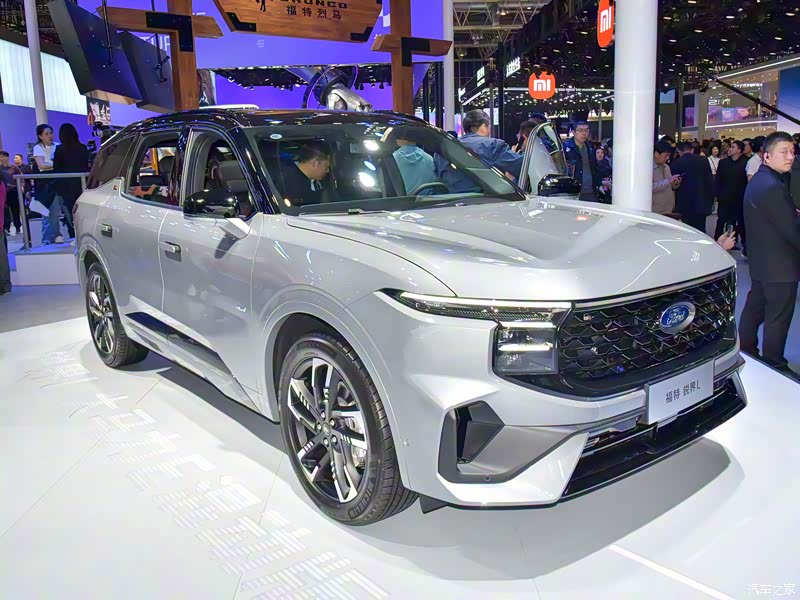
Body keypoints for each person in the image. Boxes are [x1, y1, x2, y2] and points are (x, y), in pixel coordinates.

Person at [738, 131, 800, 378]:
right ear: (767, 156)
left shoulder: (760, 180)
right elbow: (792, 231)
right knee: (778, 316)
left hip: (763, 260)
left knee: (755, 308)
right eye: (784, 152)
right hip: (780, 265)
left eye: (792, 151)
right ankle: (775, 363)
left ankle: (747, 351)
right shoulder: (773, 186)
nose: (790, 157)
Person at [457, 110, 523, 179]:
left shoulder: (453, 144)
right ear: (483, 127)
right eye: (489, 127)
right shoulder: (493, 145)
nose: (490, 131)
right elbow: (521, 167)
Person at [53, 123, 90, 239]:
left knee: (70, 212)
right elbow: (86, 165)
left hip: (66, 186)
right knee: (83, 212)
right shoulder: (83, 148)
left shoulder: (59, 149)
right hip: (82, 184)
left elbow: (56, 168)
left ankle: (74, 235)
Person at [671, 141, 714, 232]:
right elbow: (709, 181)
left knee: (686, 230)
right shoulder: (703, 160)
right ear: (692, 150)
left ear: (680, 151)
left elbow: (674, 183)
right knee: (700, 229)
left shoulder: (677, 162)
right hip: (701, 201)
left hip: (684, 203)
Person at [714, 140, 749, 249]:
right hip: (724, 196)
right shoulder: (723, 162)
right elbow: (718, 179)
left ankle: (733, 241)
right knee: (721, 219)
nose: (730, 149)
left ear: (739, 150)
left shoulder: (746, 163)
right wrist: (717, 194)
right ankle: (717, 239)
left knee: (736, 220)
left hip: (739, 197)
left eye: (733, 147)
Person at [32, 123, 63, 245]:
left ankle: (57, 235)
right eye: (46, 134)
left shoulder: (58, 146)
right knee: (47, 212)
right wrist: (55, 165)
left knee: (58, 211)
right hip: (45, 183)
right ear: (40, 136)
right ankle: (46, 239)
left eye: (51, 133)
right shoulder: (37, 148)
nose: (50, 136)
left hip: (58, 180)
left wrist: (49, 164)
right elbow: (41, 165)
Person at [279, 141, 332, 207]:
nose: (327, 171)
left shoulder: (318, 180)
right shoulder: (289, 183)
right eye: (326, 166)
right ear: (315, 163)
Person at [564, 121, 600, 202]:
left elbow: (594, 168)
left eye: (586, 130)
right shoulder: (566, 148)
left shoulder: (590, 147)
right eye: (580, 130)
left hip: (591, 191)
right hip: (574, 192)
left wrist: (599, 183)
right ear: (573, 132)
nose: (584, 133)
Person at [392, 129, 436, 194]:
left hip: (400, 200)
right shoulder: (429, 159)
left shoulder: (391, 160)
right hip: (426, 199)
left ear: (399, 139)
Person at [652, 140, 681, 215]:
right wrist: (668, 181)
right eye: (665, 156)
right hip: (655, 210)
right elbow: (650, 188)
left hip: (668, 208)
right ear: (656, 154)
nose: (667, 158)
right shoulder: (649, 168)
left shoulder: (666, 167)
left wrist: (675, 183)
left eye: (669, 155)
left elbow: (670, 186)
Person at [0, 151, 22, 235]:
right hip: (3, 191)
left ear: (7, 157)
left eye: (2, 156)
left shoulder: (14, 167)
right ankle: (6, 228)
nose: (1, 158)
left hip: (13, 190)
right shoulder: (0, 168)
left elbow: (20, 177)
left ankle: (18, 227)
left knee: (15, 209)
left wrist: (21, 186)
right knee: (5, 210)